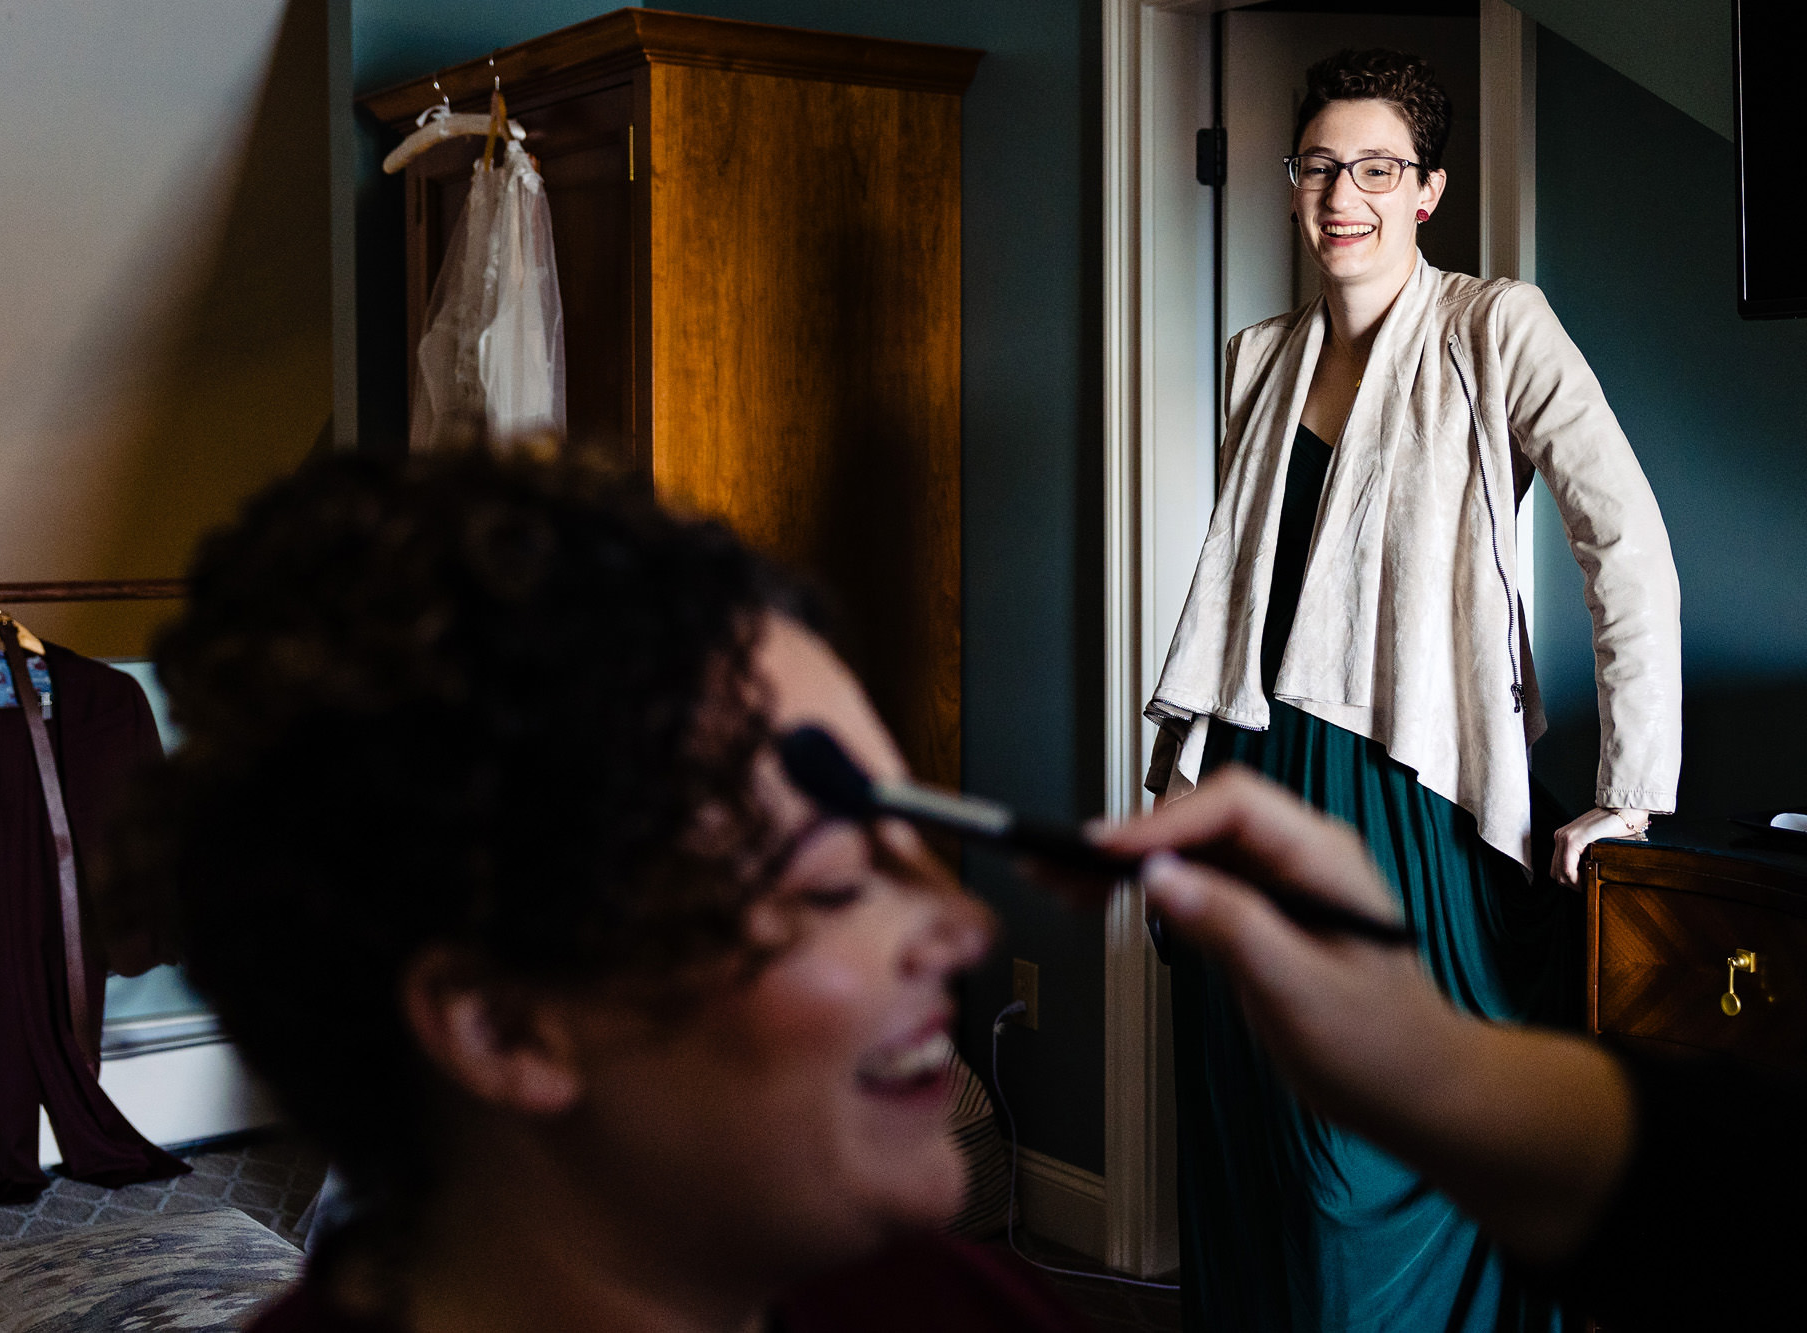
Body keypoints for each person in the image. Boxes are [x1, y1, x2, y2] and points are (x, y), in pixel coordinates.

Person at [111, 451, 1089, 1333]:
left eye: (916, 838)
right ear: (507, 1026)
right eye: (835, 885)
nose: (965, 923)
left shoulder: (960, 1305)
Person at [1144, 47, 1680, 1332]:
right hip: (1249, 778)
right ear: (1289, 185)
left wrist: (1629, 794)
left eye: (1377, 167)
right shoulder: (1254, 360)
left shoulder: (1494, 327)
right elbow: (1239, 603)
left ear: (1427, 187)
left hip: (1405, 791)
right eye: (1320, 165)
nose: (1344, 194)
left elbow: (1626, 542)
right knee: (1252, 1136)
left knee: (1360, 1156)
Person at [1106, 768, 1804, 1333]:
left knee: (1344, 1174)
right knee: (1265, 1134)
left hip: (1418, 761)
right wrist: (1180, 771)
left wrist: (1628, 795)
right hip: (1261, 748)